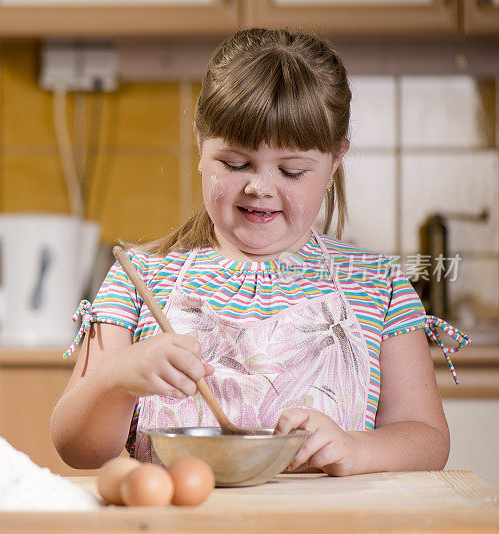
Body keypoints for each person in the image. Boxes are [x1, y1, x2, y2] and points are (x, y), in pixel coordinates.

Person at [50, 28, 469, 476]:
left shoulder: (377, 284)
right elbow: (75, 447)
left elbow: (427, 438)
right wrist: (117, 380)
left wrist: (357, 450)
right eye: (234, 163)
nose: (260, 187)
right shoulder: (140, 278)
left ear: (334, 164)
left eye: (291, 171)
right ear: (199, 145)